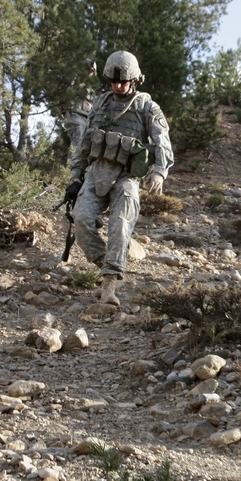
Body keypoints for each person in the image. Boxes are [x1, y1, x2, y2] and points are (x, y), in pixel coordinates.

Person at [63, 51, 173, 306]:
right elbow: (84, 144)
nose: (118, 86)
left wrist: (159, 171)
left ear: (134, 80)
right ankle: (109, 268)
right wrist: (74, 176)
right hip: (95, 172)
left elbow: (162, 141)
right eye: (113, 81)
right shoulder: (100, 103)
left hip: (126, 176)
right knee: (82, 221)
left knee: (121, 225)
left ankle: (110, 284)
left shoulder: (147, 107)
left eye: (123, 81)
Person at [62, 61, 99, 158]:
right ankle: (69, 170)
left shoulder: (91, 88)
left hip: (86, 119)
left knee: (86, 147)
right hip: (75, 116)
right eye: (89, 70)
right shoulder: (76, 82)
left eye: (92, 71)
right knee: (77, 144)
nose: (91, 73)